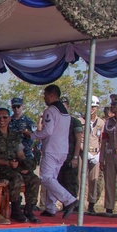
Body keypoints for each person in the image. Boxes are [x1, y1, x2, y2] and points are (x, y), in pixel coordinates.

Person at [0, 107, 41, 223]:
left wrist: (25, 166)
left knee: (34, 178)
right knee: (16, 178)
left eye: (4, 117)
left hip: (14, 166)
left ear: (9, 118)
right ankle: (15, 208)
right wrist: (7, 163)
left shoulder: (15, 136)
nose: (1, 120)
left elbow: (20, 154)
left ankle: (29, 210)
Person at [31, 84, 77, 218]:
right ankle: (51, 207)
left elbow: (47, 131)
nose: (44, 98)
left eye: (45, 95)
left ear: (51, 95)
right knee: (53, 179)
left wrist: (32, 135)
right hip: (63, 149)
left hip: (52, 149)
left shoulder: (50, 111)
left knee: (45, 178)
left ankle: (69, 200)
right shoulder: (66, 113)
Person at [85, 96, 103, 214]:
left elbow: (102, 139)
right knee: (80, 180)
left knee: (93, 180)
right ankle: (77, 203)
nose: (92, 109)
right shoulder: (81, 121)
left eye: (94, 107)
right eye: (90, 106)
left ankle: (91, 204)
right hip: (84, 152)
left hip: (95, 153)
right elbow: (79, 139)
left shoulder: (101, 122)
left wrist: (98, 154)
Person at [9, 97, 37, 166]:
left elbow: (35, 134)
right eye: (14, 107)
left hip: (25, 151)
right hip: (11, 151)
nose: (16, 109)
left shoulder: (28, 121)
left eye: (18, 106)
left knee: (28, 170)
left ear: (22, 107)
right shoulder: (8, 121)